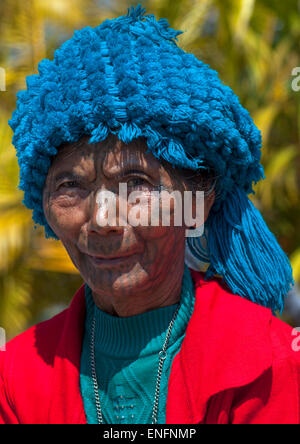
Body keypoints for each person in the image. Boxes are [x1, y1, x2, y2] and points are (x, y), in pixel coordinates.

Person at [1, 5, 299, 424]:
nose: (102, 219)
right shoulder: (17, 376)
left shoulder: (269, 362)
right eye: (71, 186)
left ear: (199, 199)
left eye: (136, 184)